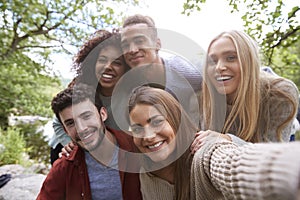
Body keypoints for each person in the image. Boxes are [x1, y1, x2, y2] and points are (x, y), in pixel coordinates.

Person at [128, 85, 300, 199]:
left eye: (157, 122)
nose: (148, 136)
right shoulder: (146, 171)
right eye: (137, 128)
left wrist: (288, 167)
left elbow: (234, 166)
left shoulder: (201, 152)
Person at [37, 83, 141, 200]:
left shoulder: (139, 146)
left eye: (86, 116)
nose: (81, 129)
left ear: (103, 114)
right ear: (65, 130)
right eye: (71, 123)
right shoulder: (64, 168)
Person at [200, 30, 299, 143]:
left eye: (231, 58)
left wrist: (228, 140)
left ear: (249, 60)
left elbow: (272, 153)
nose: (219, 67)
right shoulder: (206, 93)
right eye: (212, 61)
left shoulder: (281, 92)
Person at [49, 29, 130, 165]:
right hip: (67, 148)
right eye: (102, 60)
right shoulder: (82, 88)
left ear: (127, 68)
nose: (108, 66)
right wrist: (70, 143)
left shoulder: (130, 97)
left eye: (117, 62)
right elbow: (57, 121)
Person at [111, 14, 203, 131]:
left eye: (139, 41)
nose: (132, 50)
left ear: (157, 44)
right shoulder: (130, 86)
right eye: (125, 45)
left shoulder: (186, 71)